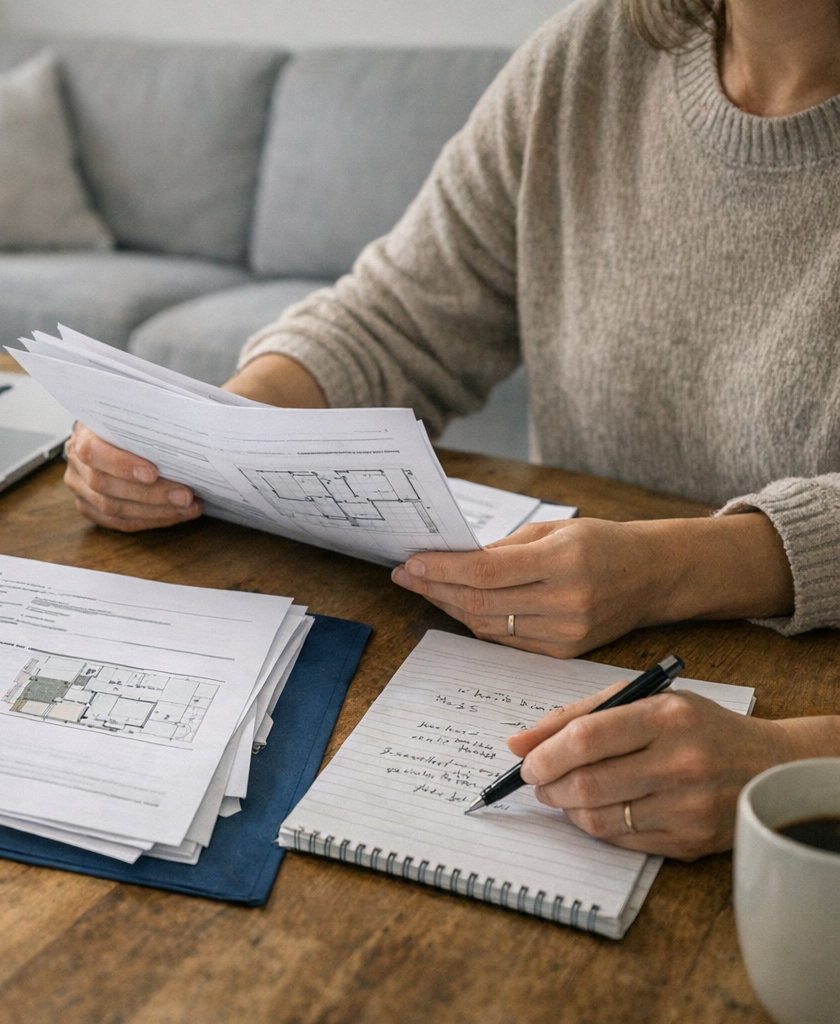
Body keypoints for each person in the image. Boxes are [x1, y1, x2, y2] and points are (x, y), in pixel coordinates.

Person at [62, 0, 840, 860]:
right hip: (554, 664)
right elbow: (398, 317)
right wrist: (204, 436)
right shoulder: (597, 53)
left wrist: (680, 586)